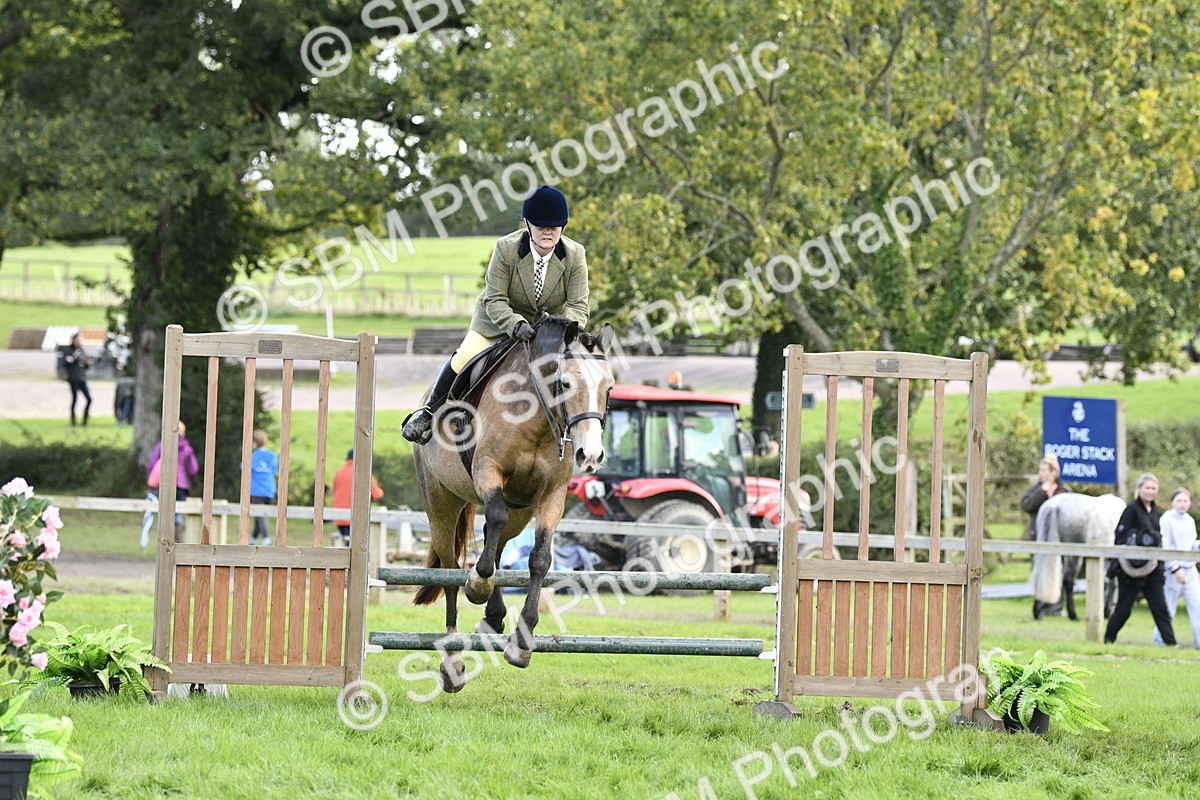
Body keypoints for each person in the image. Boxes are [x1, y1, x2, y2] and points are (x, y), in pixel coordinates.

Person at [401, 185, 590, 444]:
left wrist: (558, 331)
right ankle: (427, 413)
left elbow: (579, 305)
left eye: (554, 226)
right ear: (528, 224)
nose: (548, 231)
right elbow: (495, 298)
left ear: (563, 227)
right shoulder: (506, 248)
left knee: (578, 369)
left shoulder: (575, 254)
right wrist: (515, 324)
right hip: (497, 320)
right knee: (464, 357)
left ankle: (578, 431)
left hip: (548, 330)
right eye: (541, 225)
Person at [1104, 473, 1176, 645]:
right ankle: (1108, 639)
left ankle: (1171, 644)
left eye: (1153, 488)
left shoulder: (1156, 512)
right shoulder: (1131, 509)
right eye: (1147, 488)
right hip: (1130, 568)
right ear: (1139, 489)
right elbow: (1119, 536)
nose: (1150, 492)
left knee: (1159, 607)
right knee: (1124, 608)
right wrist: (1137, 540)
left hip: (1153, 567)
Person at [1154, 489, 1200, 648]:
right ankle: (1161, 641)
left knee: (1198, 607)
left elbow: (1190, 544)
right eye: (1179, 500)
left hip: (1190, 570)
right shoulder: (1166, 519)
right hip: (1172, 571)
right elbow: (1165, 545)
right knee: (1168, 609)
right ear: (1173, 502)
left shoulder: (1190, 520)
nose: (1182, 504)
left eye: (1185, 501)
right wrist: (1174, 568)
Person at [148, 422, 201, 543]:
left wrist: (151, 476)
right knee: (178, 513)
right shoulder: (187, 448)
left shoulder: (162, 445)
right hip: (181, 485)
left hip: (165, 483)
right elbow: (194, 469)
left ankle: (166, 539)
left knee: (165, 512)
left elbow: (152, 463)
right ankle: (178, 540)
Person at [331, 449, 384, 546]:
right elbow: (376, 494)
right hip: (356, 516)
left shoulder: (339, 472)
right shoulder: (363, 472)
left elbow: (333, 492)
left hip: (339, 515)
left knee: (347, 543)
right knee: (357, 546)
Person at [1020, 454, 1072, 539]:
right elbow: (1026, 505)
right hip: (1037, 534)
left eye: (1043, 471)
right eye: (1040, 470)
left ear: (1053, 472)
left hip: (1060, 536)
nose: (1040, 474)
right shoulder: (1035, 489)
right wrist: (1042, 492)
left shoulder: (1064, 491)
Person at [241, 430, 279, 546]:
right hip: (269, 490)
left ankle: (266, 538)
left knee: (260, 515)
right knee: (260, 514)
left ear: (254, 442)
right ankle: (252, 539)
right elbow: (275, 469)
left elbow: (243, 467)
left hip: (256, 490)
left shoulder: (253, 456)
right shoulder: (272, 455)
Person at [63, 333, 94, 426]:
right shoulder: (68, 350)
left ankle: (85, 418)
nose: (79, 342)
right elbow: (66, 363)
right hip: (73, 379)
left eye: (80, 340)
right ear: (73, 340)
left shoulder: (82, 351)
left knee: (89, 399)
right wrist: (73, 357)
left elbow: (85, 366)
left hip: (82, 379)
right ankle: (73, 419)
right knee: (75, 399)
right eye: (77, 339)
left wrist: (87, 364)